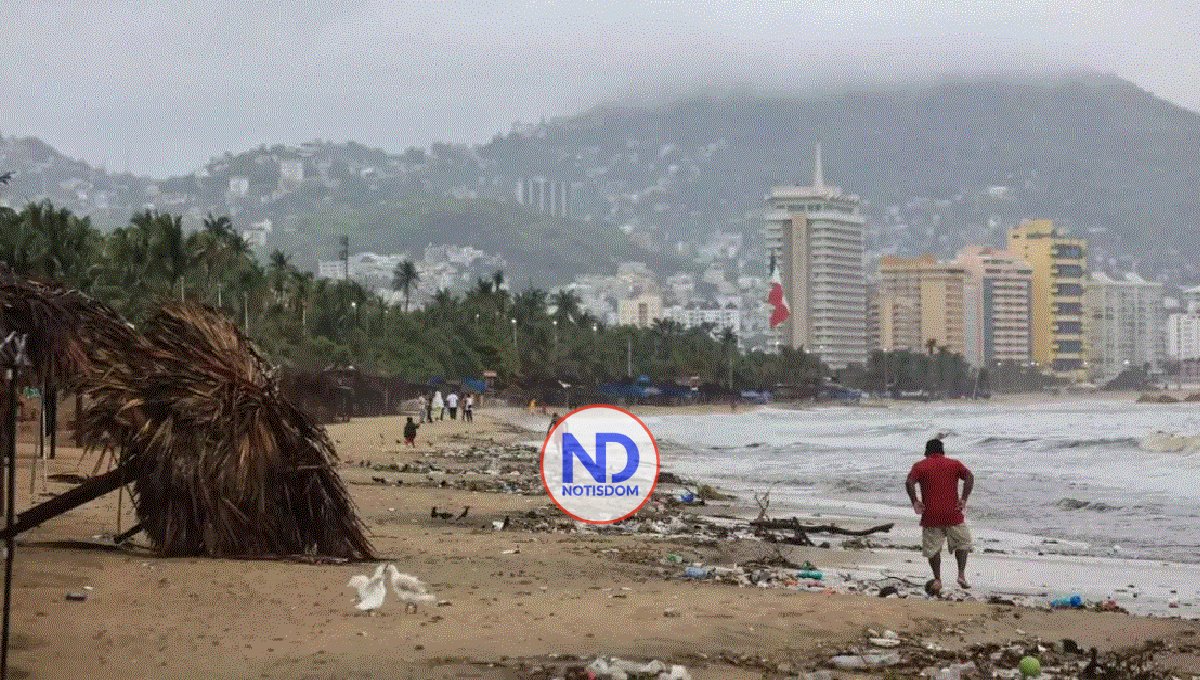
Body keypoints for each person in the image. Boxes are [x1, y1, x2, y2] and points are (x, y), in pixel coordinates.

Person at [905, 438, 974, 592]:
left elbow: (909, 482)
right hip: (953, 514)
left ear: (926, 452)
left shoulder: (920, 466)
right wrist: (963, 499)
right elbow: (969, 476)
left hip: (931, 515)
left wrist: (915, 501)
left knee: (933, 549)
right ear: (943, 451)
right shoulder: (955, 464)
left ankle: (937, 579)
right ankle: (961, 575)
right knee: (963, 543)